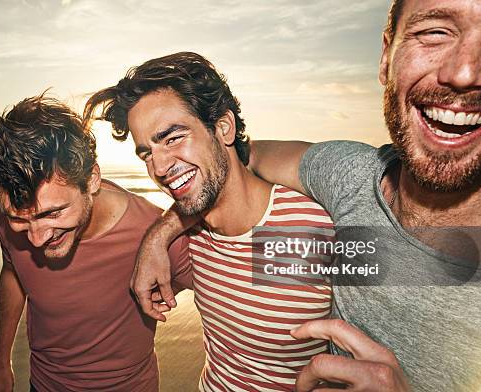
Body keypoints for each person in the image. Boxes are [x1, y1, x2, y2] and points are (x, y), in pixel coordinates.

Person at [128, 0, 481, 391]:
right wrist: (158, 235)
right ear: (386, 57)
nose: (465, 72)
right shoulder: (349, 179)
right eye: (433, 32)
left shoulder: (317, 234)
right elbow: (240, 157)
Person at [85, 52, 335, 392]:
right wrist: (155, 239)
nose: (159, 168)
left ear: (223, 127)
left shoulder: (310, 229)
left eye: (172, 138)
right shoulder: (191, 235)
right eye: (147, 153)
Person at [0, 94, 192, 392]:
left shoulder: (155, 233)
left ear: (91, 180)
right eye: (20, 220)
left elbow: (247, 282)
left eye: (53, 213)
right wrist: (2, 364)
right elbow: (12, 273)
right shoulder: (13, 213)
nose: (36, 238)